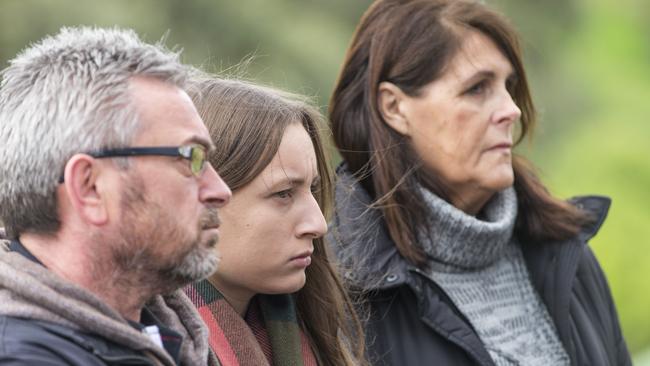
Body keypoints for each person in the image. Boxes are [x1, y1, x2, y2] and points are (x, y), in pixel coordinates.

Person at [327, 0, 631, 365]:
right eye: (476, 88)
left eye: (509, 85)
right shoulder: (336, 289)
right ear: (394, 107)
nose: (511, 109)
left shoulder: (566, 250)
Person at [0, 27, 231, 365]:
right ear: (90, 188)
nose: (220, 190)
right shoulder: (24, 357)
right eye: (190, 157)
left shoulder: (164, 335)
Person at [184, 77, 366, 366]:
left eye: (313, 190)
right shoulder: (143, 348)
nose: (318, 225)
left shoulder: (312, 332)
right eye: (283, 193)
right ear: (201, 198)